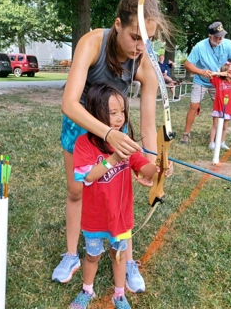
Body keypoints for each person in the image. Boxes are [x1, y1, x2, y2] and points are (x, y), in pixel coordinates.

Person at [53, 0, 173, 294]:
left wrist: (153, 164)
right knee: (77, 189)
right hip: (82, 123)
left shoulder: (145, 62)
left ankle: (128, 261)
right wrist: (107, 134)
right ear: (117, 25)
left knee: (120, 192)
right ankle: (71, 256)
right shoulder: (92, 42)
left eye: (148, 39)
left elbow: (146, 127)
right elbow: (68, 103)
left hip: (115, 128)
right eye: (135, 37)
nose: (140, 47)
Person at [69, 83, 159, 309]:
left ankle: (119, 295)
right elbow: (86, 177)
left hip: (120, 217)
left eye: (122, 112)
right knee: (92, 256)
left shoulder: (126, 141)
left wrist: (158, 170)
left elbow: (141, 165)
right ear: (95, 114)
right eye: (112, 113)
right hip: (94, 218)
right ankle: (87, 291)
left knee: (119, 257)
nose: (120, 118)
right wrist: (114, 158)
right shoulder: (84, 143)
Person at [180, 21, 231, 145]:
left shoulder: (228, 44)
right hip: (201, 81)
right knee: (193, 106)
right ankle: (186, 134)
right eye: (217, 37)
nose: (220, 40)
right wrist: (201, 72)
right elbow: (187, 64)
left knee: (223, 107)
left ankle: (218, 136)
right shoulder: (200, 46)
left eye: (222, 36)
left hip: (219, 82)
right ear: (210, 36)